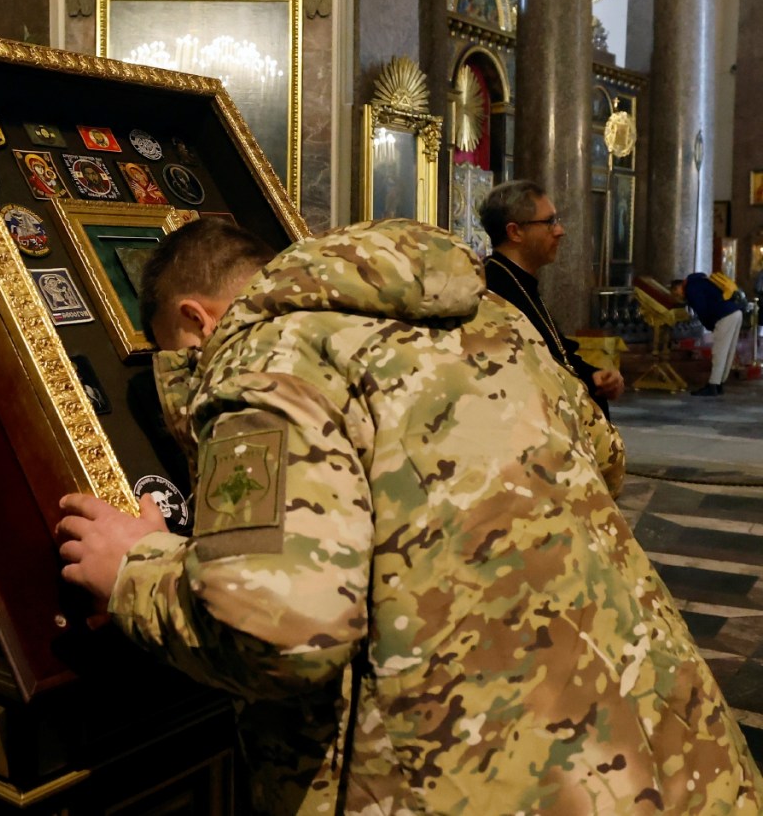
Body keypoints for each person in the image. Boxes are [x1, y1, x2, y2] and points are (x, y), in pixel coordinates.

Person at [56, 216, 762, 815]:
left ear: (194, 321)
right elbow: (604, 461)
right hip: (662, 746)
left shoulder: (263, 356)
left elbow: (280, 632)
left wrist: (134, 568)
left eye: (181, 358)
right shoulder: (486, 315)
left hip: (473, 780)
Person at [479, 179, 624, 417]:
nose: (560, 230)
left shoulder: (522, 281)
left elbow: (556, 353)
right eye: (549, 222)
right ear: (515, 232)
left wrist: (593, 376)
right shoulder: (492, 287)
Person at [671, 272, 745, 396]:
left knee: (719, 351)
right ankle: (719, 384)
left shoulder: (691, 287)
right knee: (728, 351)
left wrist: (710, 325)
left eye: (675, 293)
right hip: (735, 311)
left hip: (724, 315)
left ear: (678, 286)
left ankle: (713, 385)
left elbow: (702, 309)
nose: (677, 296)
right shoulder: (701, 280)